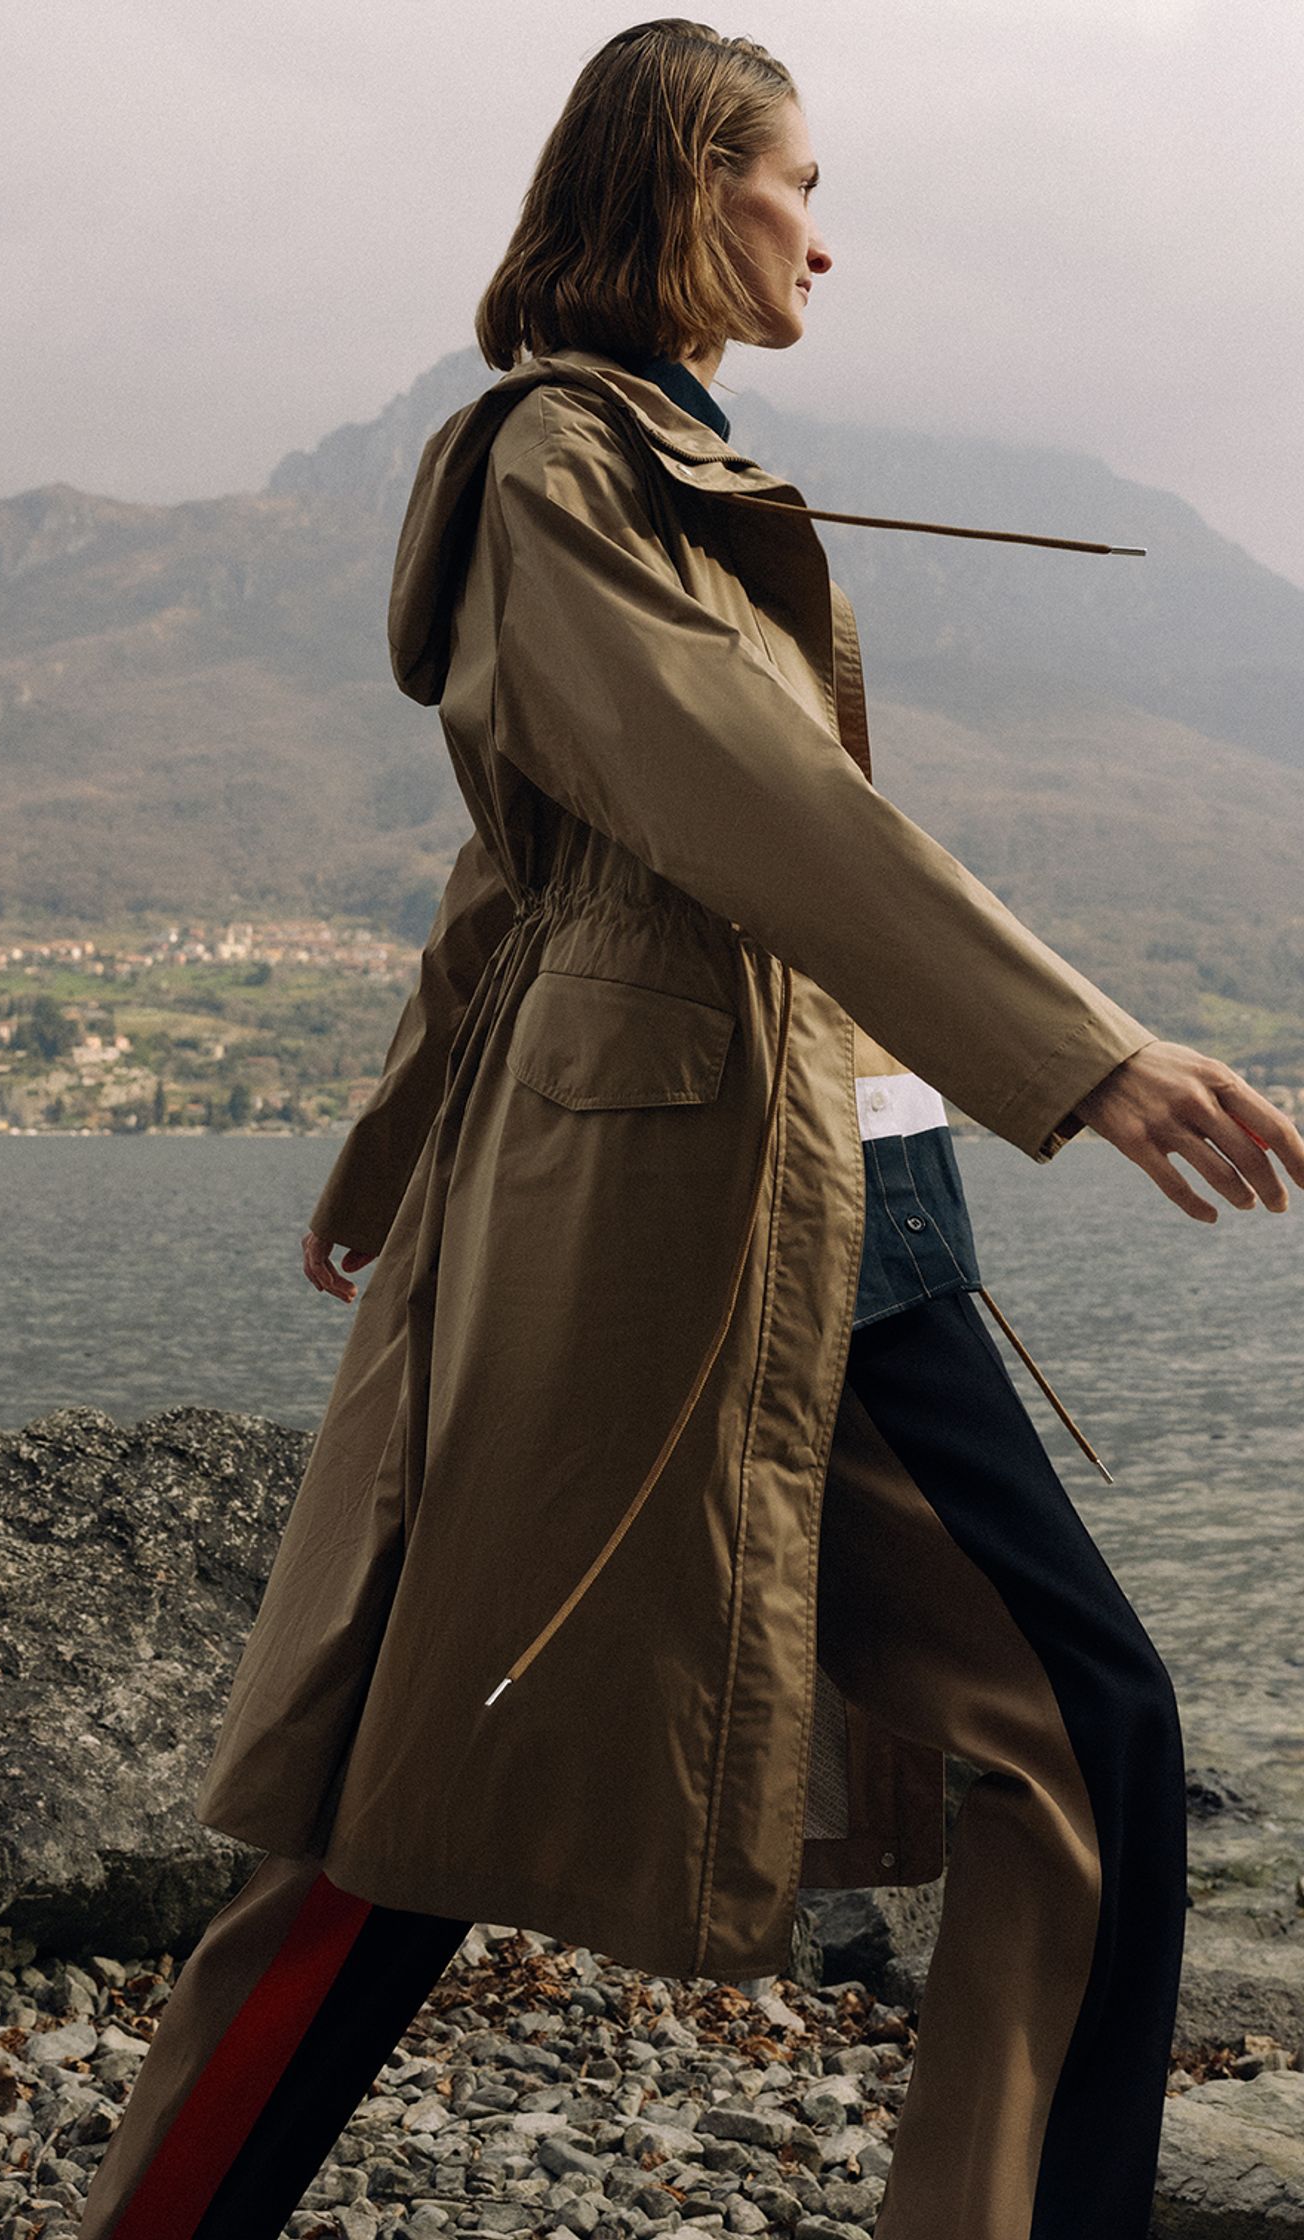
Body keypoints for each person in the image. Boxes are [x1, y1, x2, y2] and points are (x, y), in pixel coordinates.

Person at [76, 21, 1304, 2240]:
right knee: (408, 1802)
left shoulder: (640, 462)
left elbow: (523, 873)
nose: (821, 238)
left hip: (799, 1182)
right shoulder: (559, 460)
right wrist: (1088, 1051)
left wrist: (374, 1154)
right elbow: (738, 803)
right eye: (792, 184)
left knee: (1068, 1735)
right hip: (686, 1191)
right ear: (675, 186)